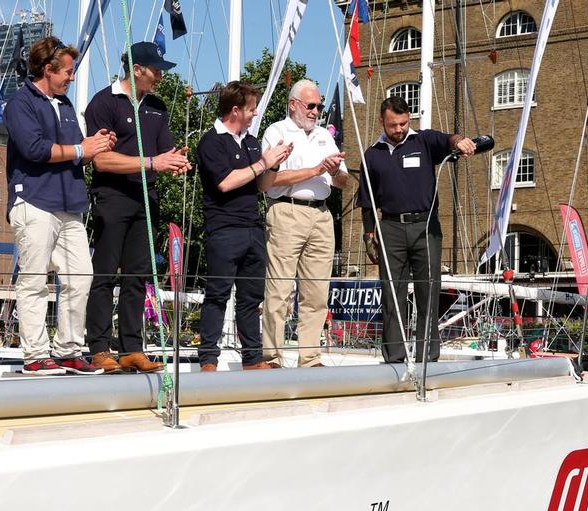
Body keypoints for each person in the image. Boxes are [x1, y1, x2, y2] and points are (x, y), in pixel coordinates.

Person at [4, 36, 116, 375]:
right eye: (67, 71)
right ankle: (35, 355)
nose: (71, 77)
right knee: (35, 280)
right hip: (34, 200)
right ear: (47, 69)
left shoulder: (66, 107)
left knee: (81, 276)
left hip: (69, 203)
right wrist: (83, 149)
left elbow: (74, 152)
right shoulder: (19, 103)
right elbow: (36, 149)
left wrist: (96, 146)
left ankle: (67, 349)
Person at [84, 42, 191, 373]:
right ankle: (99, 347)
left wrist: (175, 161)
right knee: (104, 273)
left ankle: (132, 348)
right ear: (137, 69)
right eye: (156, 70)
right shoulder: (103, 103)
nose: (160, 76)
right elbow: (100, 160)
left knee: (138, 276)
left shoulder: (157, 107)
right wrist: (152, 162)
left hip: (146, 199)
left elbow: (163, 153)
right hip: (112, 197)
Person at [357, 96, 475, 364]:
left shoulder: (423, 140)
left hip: (426, 227)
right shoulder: (371, 154)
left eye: (403, 123)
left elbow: (448, 139)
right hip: (389, 228)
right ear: (381, 122)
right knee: (392, 295)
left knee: (428, 292)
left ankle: (426, 359)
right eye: (392, 125)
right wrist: (368, 236)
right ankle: (394, 359)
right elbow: (367, 203)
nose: (398, 129)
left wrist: (459, 141)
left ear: (409, 119)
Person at [195, 81, 293, 372]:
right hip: (223, 229)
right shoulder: (210, 141)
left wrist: (273, 165)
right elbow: (225, 182)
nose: (254, 114)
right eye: (251, 109)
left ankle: (252, 358)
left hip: (252, 227)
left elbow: (261, 185)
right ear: (235, 110)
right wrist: (263, 164)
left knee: (251, 298)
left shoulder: (251, 142)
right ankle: (208, 360)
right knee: (217, 295)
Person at [260, 79, 348, 368]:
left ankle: (309, 357)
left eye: (319, 106)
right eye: (311, 105)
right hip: (288, 210)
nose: (316, 111)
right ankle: (272, 356)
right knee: (280, 288)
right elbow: (270, 180)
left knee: (317, 291)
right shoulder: (277, 131)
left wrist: (335, 171)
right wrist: (314, 170)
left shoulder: (325, 135)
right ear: (293, 105)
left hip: (322, 214)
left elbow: (342, 181)